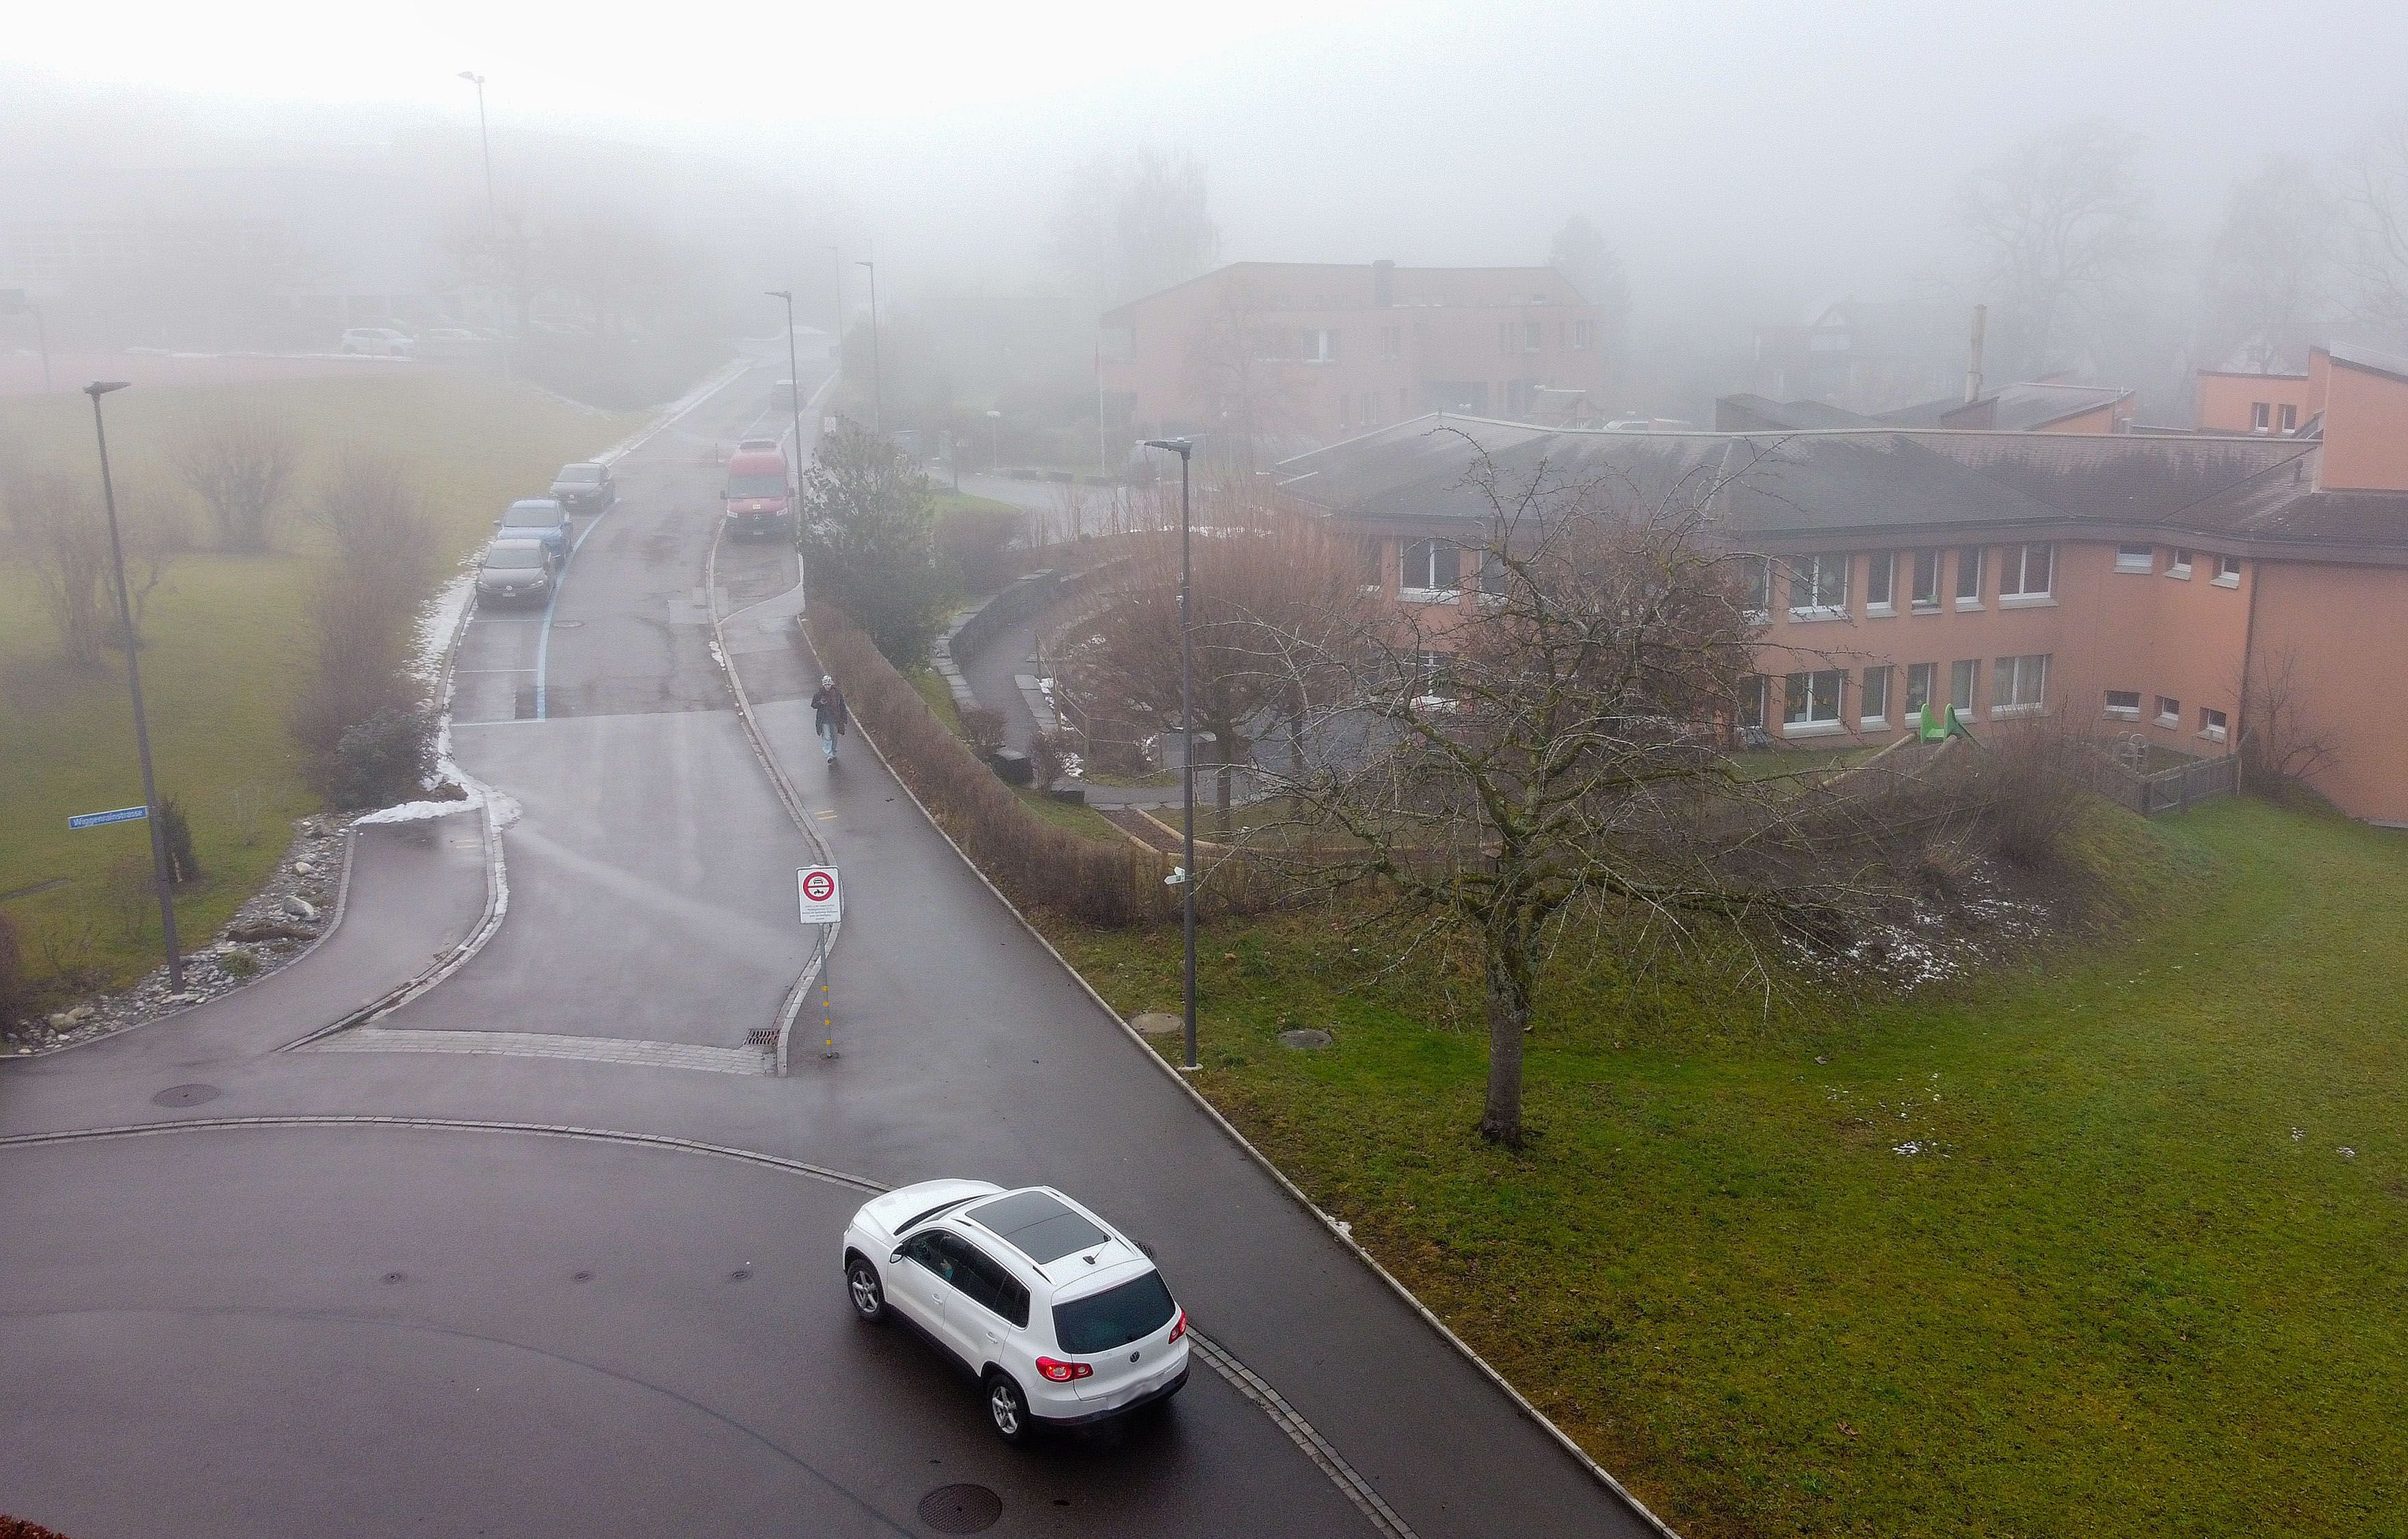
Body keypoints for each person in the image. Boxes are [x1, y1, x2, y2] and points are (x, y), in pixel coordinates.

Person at [811, 675, 848, 764]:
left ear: (831, 685)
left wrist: (844, 718)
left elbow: (842, 707)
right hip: (824, 720)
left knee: (834, 737)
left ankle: (833, 751)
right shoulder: (819, 695)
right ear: (823, 685)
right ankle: (829, 754)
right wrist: (820, 703)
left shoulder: (837, 695)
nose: (827, 686)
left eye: (829, 684)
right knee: (827, 737)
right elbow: (813, 705)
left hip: (835, 720)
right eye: (825, 685)